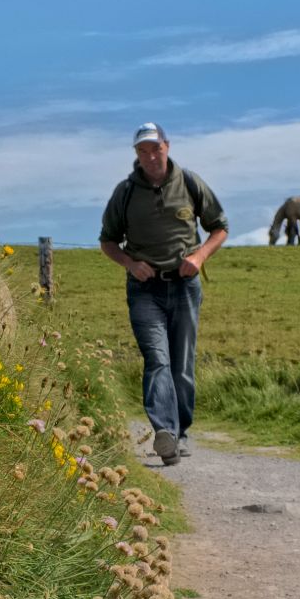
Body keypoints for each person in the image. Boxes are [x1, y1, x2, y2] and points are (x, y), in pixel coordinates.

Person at [99, 123, 227, 464]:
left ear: (167, 146)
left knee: (182, 365)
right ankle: (165, 433)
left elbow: (220, 227)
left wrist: (198, 257)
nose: (150, 155)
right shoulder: (125, 192)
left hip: (184, 286)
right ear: (137, 155)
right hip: (145, 290)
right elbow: (107, 242)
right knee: (158, 359)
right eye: (143, 150)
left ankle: (181, 431)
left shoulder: (189, 183)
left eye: (155, 148)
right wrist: (130, 264)